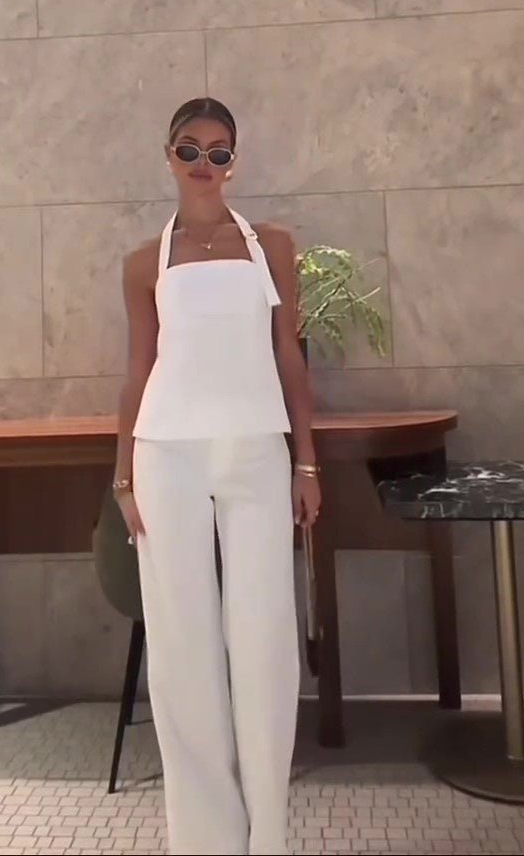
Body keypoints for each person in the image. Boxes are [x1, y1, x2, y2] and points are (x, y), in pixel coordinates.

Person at [112, 96, 321, 856]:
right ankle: (205, 842)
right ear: (168, 156)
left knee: (264, 641)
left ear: (235, 161)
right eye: (189, 149)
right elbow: (139, 368)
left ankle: (267, 839)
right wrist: (123, 476)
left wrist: (305, 460)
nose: (204, 163)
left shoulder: (273, 246)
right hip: (165, 455)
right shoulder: (145, 262)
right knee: (180, 647)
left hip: (257, 452)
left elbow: (288, 355)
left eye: (219, 151)